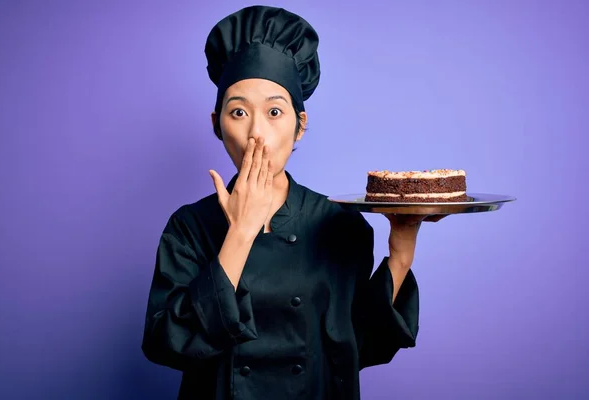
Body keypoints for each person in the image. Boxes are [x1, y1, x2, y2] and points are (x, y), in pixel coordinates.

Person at [141, 5, 444, 400]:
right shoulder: (189, 227)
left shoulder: (340, 224)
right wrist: (242, 231)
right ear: (216, 124)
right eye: (238, 112)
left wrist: (401, 249)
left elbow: (363, 345)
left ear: (300, 125)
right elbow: (166, 344)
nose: (256, 133)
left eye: (274, 111)